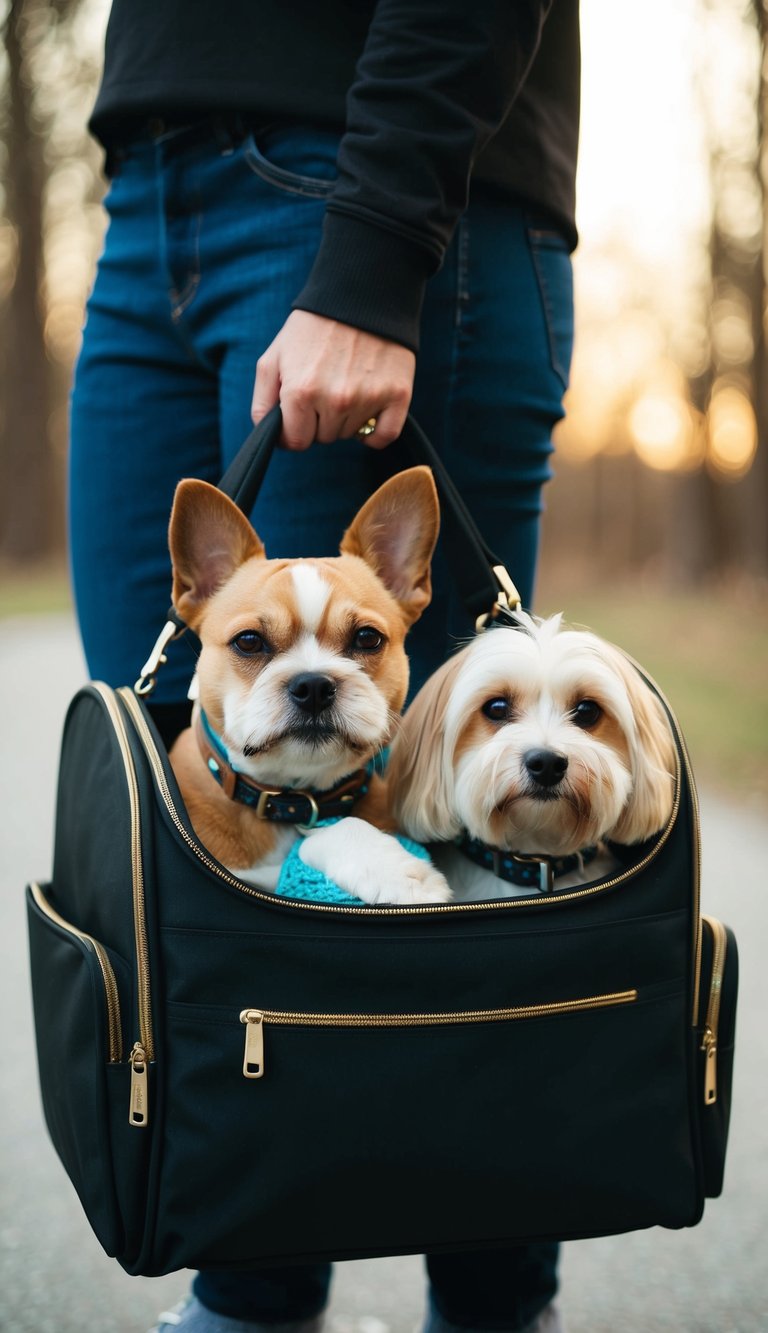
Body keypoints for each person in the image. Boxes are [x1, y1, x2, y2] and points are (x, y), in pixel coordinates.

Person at [69, 4, 580, 1331]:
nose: (311, 669)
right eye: (265, 642)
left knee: (462, 860)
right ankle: (250, 1275)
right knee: (167, 815)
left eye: (357, 637)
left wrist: (372, 253)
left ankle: (487, 1305)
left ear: (395, 597)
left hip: (378, 178)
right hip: (146, 188)